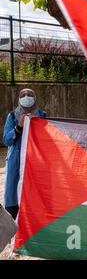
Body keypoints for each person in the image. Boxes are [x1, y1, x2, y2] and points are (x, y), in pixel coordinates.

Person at [3, 88, 47, 220]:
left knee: (34, 192)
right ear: (19, 98)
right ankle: (13, 229)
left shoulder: (42, 115)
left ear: (35, 98)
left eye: (29, 95)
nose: (26, 97)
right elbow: (6, 140)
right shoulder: (12, 116)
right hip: (15, 161)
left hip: (35, 160)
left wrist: (37, 124)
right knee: (12, 192)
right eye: (23, 95)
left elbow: (48, 137)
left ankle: (33, 226)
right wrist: (19, 126)